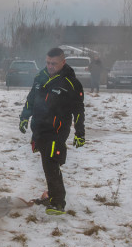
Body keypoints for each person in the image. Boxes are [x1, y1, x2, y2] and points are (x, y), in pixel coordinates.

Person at [18, 47, 86, 215]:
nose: (50, 66)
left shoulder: (71, 83)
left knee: (51, 163)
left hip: (57, 131)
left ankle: (58, 203)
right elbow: (31, 99)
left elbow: (78, 111)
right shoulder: (40, 77)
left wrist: (80, 132)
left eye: (54, 64)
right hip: (40, 129)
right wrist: (24, 117)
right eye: (48, 62)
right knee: (47, 164)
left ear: (63, 62)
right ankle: (52, 195)